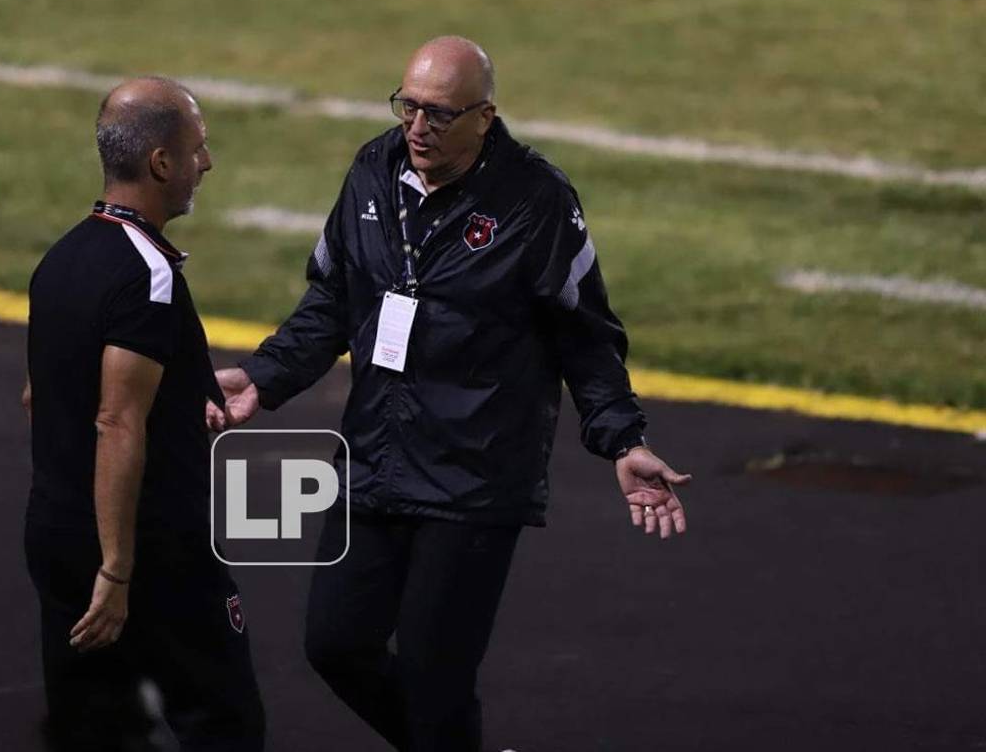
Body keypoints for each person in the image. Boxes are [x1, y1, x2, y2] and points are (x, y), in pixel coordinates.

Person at [216, 37, 692, 751]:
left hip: (474, 473)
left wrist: (623, 437)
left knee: (436, 677)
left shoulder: (535, 199)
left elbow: (586, 334)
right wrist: (265, 374)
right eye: (407, 106)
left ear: (484, 117)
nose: (417, 128)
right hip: (374, 457)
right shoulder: (372, 169)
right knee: (334, 643)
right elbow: (333, 300)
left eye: (439, 114)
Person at [24, 77, 264, 752]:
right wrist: (117, 568)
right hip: (149, 548)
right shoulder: (147, 275)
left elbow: (40, 395)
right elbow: (117, 422)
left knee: (93, 728)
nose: (206, 163)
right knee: (223, 723)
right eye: (197, 148)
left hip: (56, 530)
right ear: (161, 162)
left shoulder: (61, 259)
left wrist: (179, 408)